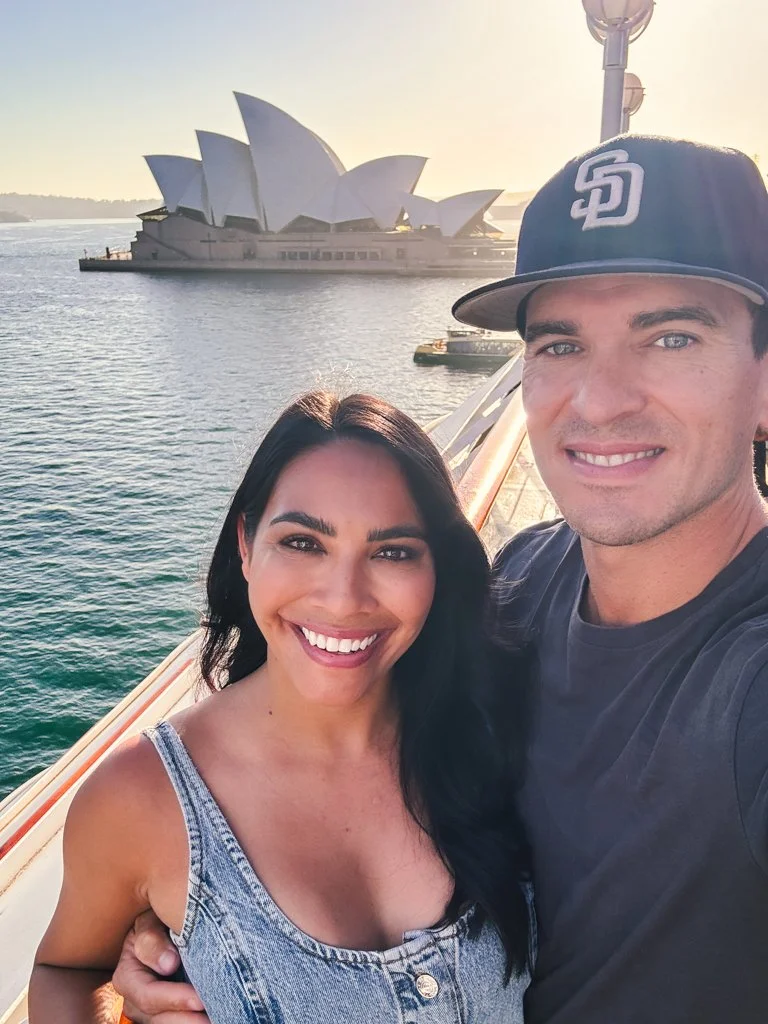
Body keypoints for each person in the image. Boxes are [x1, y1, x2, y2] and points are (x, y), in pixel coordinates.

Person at [116, 135, 768, 1024]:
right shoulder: (526, 580)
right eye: (562, 344)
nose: (602, 399)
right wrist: (189, 933)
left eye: (673, 336)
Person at [29, 392, 533, 1024]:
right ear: (245, 545)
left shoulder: (494, 730)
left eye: (394, 551)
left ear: (438, 567)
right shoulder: (144, 798)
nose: (344, 599)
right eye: (303, 542)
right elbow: (64, 970)